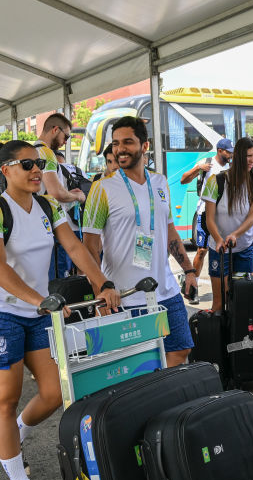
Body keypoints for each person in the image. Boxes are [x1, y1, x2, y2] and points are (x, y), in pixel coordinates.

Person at [0, 140, 119, 480]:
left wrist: (101, 283)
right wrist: (37, 299)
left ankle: (16, 436)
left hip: (38, 312)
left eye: (40, 164)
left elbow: (74, 248)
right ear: (5, 169)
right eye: (27, 164)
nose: (37, 170)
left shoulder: (47, 205)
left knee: (55, 392)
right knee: (6, 397)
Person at [82, 117, 198, 366]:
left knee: (180, 351)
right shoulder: (102, 189)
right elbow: (90, 247)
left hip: (165, 290)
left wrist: (188, 270)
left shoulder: (160, 182)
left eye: (128, 142)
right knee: (137, 363)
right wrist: (100, 291)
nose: (120, 149)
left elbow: (170, 231)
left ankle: (162, 402)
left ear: (145, 146)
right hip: (125, 294)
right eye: (115, 143)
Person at [201, 137, 253, 312]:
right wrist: (219, 239)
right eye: (248, 156)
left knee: (243, 302)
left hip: (245, 249)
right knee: (219, 303)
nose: (252, 160)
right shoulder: (215, 181)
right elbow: (209, 218)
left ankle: (242, 339)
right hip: (219, 250)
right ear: (237, 156)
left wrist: (235, 235)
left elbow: (252, 217)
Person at [33, 113, 86, 280]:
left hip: (33, 226)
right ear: (56, 130)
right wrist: (77, 196)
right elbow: (56, 192)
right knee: (55, 282)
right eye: (67, 136)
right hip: (50, 228)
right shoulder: (47, 153)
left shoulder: (29, 152)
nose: (65, 142)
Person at [181, 138, 234, 278]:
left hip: (224, 214)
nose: (231, 155)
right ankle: (193, 283)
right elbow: (183, 180)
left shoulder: (231, 167)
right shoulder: (207, 163)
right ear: (220, 151)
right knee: (202, 250)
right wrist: (198, 168)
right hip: (205, 213)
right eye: (228, 152)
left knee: (226, 248)